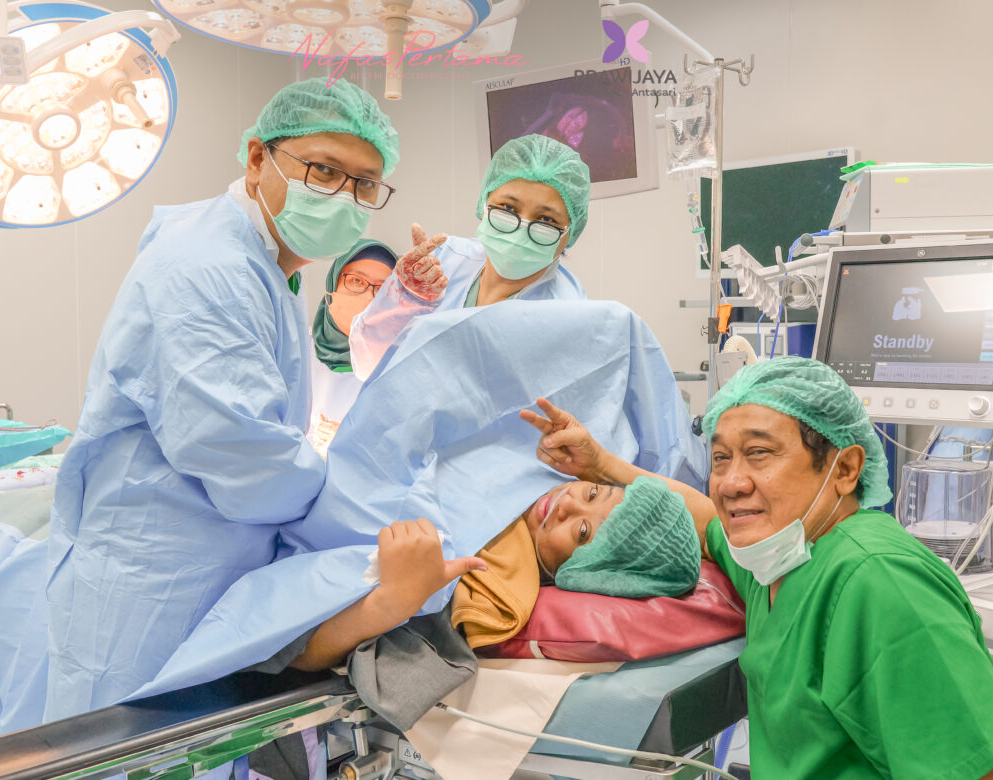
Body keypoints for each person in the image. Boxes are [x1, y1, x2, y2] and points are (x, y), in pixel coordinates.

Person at [44, 77, 400, 719]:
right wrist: (366, 519)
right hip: (151, 585)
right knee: (123, 754)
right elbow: (246, 455)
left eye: (364, 183)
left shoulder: (269, 269)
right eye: (324, 170)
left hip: (212, 574)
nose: (345, 196)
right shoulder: (208, 267)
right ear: (258, 158)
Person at [520, 357, 993, 780]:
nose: (731, 483)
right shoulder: (775, 560)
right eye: (720, 459)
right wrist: (601, 466)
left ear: (846, 468)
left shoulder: (878, 582)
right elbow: (701, 521)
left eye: (760, 454)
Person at [287, 474, 702, 670]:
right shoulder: (538, 467)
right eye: (594, 491)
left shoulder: (487, 589)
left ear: (583, 573)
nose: (569, 503)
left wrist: (393, 602)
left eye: (581, 532)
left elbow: (297, 650)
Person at [349, 133, 591, 378]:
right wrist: (407, 300)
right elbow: (367, 364)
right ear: (484, 204)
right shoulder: (442, 261)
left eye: (546, 220)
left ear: (570, 234)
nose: (520, 228)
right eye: (508, 208)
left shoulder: (568, 316)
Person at [309, 238, 398, 454]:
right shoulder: (297, 349)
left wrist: (353, 442)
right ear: (332, 286)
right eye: (357, 281)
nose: (369, 297)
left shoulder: (399, 365)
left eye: (382, 288)